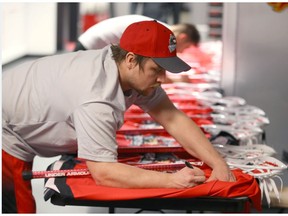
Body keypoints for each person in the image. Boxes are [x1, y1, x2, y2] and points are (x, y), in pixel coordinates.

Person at [2, 20, 235, 213]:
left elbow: (173, 117)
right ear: (132, 59)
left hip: (16, 112)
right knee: (18, 207)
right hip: (6, 132)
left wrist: (217, 162)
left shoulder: (121, 67)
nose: (163, 79)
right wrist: (173, 180)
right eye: (157, 69)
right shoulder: (96, 96)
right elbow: (104, 173)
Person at [74, 14, 169, 51]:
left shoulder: (159, 27)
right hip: (89, 45)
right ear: (182, 37)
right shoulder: (161, 32)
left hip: (91, 41)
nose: (181, 51)